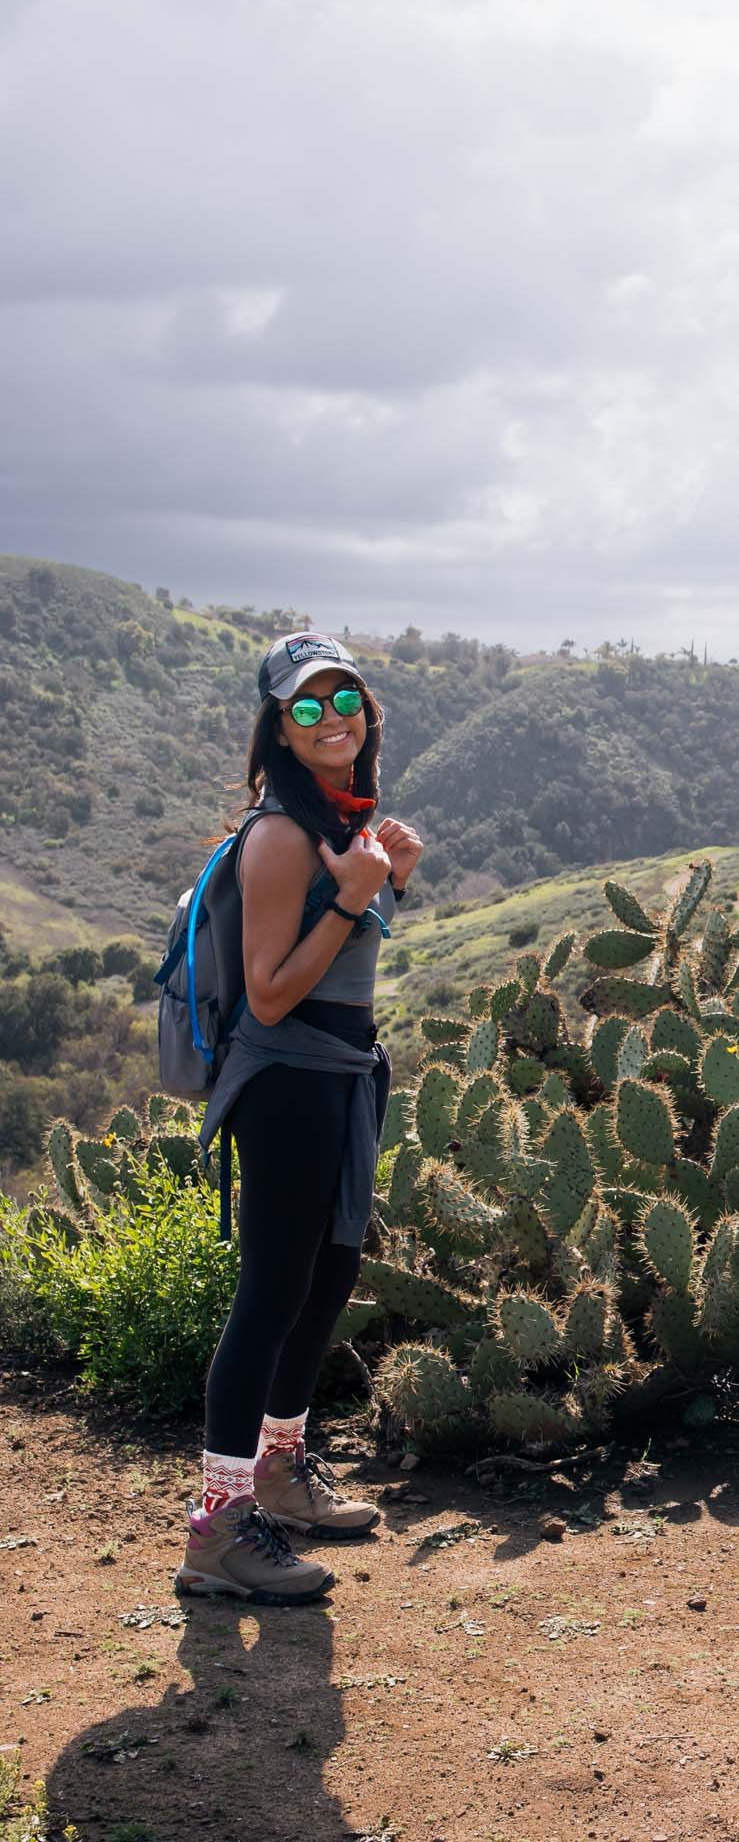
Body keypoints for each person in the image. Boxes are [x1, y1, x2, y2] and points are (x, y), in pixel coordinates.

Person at [175, 632, 422, 1605]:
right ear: (280, 726)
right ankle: (219, 1524)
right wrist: (354, 896)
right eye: (309, 707)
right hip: (285, 1079)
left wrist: (383, 879)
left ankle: (282, 1466)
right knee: (272, 1292)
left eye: (346, 699)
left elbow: (346, 949)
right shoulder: (281, 832)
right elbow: (271, 994)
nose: (334, 719)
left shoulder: (336, 817)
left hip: (342, 1073)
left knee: (328, 1273)